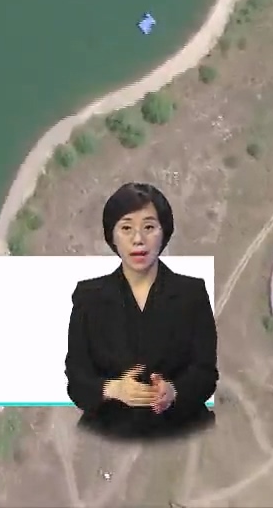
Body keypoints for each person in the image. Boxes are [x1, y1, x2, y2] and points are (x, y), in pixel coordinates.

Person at [64, 182, 217, 439]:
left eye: (149, 227)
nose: (138, 239)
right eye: (126, 228)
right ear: (111, 236)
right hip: (107, 432)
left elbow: (205, 373)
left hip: (183, 428)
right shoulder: (88, 298)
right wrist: (113, 389)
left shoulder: (192, 294)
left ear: (164, 232)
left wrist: (174, 391)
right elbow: (77, 381)